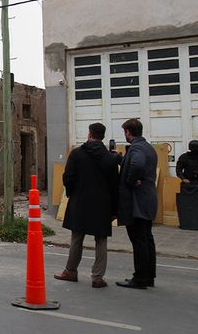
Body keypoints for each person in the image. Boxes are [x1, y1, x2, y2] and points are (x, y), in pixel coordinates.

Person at [54, 123, 119, 289]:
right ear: (103, 136)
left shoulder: (77, 154)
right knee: (101, 240)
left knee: (77, 237)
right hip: (102, 204)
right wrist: (114, 209)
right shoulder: (110, 158)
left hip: (80, 201)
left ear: (89, 134)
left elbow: (67, 177)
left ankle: (71, 271)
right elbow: (115, 185)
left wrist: (72, 194)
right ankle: (98, 277)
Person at [116, 118, 158, 290]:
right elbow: (137, 163)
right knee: (147, 239)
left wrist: (130, 181)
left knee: (139, 240)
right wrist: (120, 159)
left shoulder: (136, 148)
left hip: (137, 202)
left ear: (128, 132)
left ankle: (139, 278)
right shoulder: (147, 147)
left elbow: (137, 164)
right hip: (148, 199)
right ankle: (149, 276)